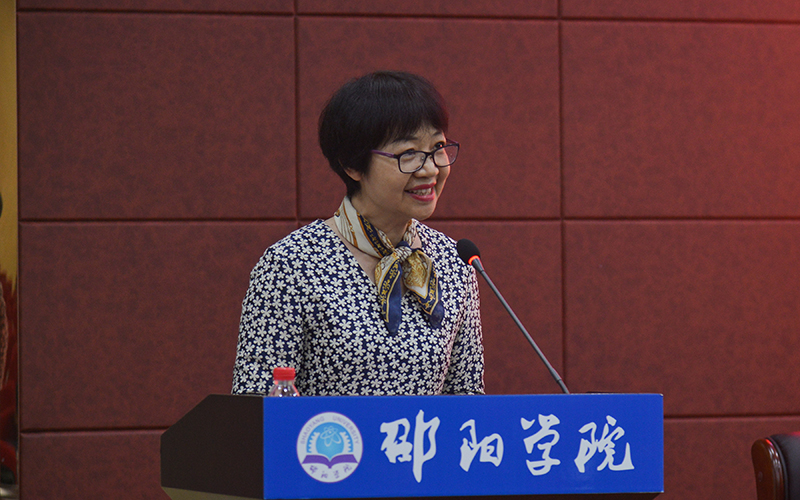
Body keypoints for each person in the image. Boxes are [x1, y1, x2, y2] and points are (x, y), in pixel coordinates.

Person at [232, 71, 484, 396]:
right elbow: (256, 407)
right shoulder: (291, 265)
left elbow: (467, 400)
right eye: (408, 153)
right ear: (352, 165)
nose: (430, 169)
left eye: (438, 147)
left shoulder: (455, 261)